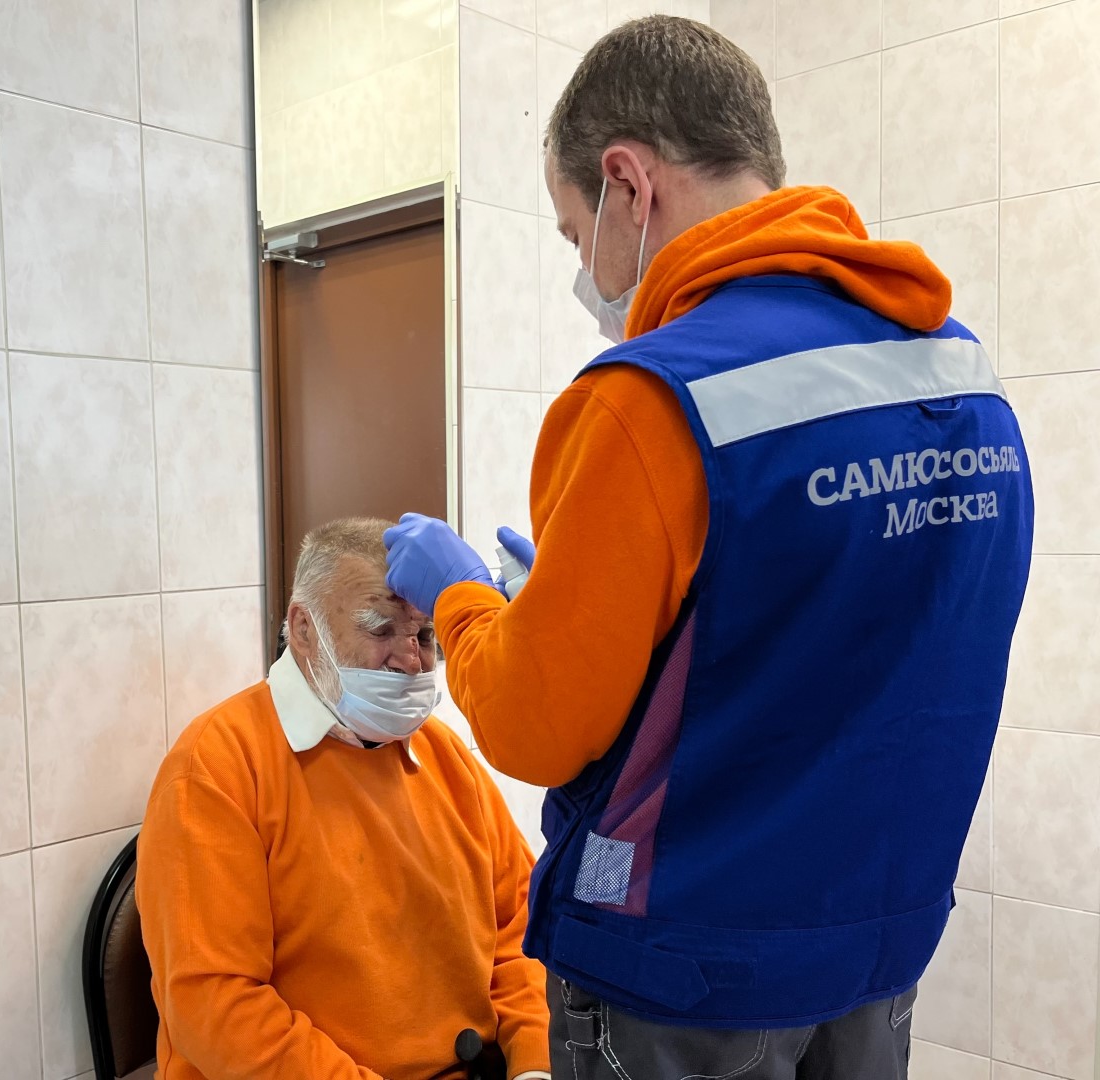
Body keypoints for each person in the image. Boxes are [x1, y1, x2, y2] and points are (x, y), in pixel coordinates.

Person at [383, 15, 1033, 1080]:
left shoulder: (646, 400)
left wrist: (463, 599)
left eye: (573, 234)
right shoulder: (961, 377)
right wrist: (611, 607)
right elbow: (836, 637)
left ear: (628, 183)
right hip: (875, 957)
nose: (585, 272)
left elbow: (536, 729)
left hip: (685, 983)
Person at [136, 518, 551, 1080]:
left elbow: (522, 933)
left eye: (425, 635)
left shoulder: (445, 757)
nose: (412, 660)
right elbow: (214, 1004)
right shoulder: (218, 769)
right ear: (303, 629)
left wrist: (535, 1064)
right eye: (381, 628)